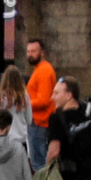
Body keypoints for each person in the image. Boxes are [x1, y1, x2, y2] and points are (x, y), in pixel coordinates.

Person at [44, 78, 91, 180]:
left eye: (56, 93)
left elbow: (54, 152)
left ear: (69, 95)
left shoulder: (56, 119)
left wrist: (47, 175)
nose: (52, 97)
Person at [24, 41, 56, 170]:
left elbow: (44, 100)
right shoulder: (39, 70)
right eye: (28, 51)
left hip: (40, 123)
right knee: (39, 164)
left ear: (42, 53)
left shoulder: (43, 71)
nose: (30, 54)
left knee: (39, 166)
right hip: (38, 123)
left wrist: (23, 103)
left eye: (34, 51)